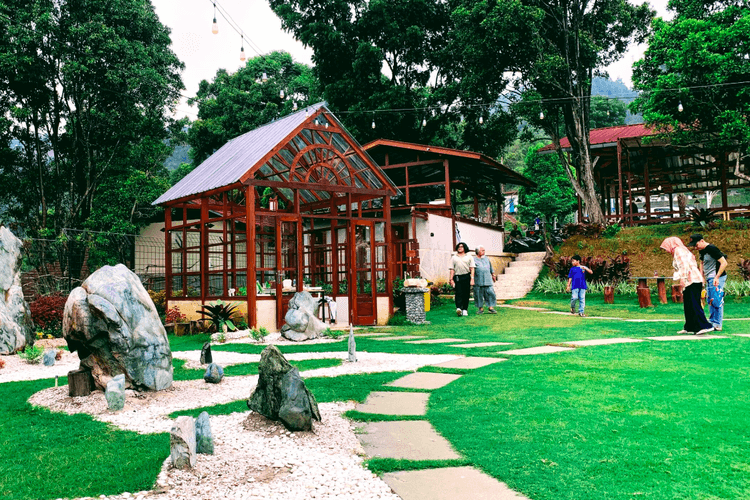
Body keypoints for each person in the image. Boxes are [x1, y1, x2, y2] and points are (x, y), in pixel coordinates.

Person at [660, 237, 714, 335]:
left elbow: (684, 266)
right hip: (692, 280)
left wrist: (683, 279)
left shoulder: (678, 250)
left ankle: (705, 326)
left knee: (694, 303)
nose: (666, 250)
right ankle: (689, 326)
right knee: (688, 304)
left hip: (692, 280)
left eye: (666, 247)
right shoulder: (683, 250)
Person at [689, 234, 728, 331]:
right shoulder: (702, 251)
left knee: (716, 299)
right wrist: (701, 276)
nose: (695, 247)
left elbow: (724, 263)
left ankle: (718, 323)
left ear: (702, 241)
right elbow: (702, 263)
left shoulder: (711, 248)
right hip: (709, 278)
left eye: (696, 244)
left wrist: (717, 277)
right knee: (710, 300)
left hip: (717, 277)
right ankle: (712, 321)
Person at [449, 242, 475, 317]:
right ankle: (459, 308)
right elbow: (452, 269)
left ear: (465, 248)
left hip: (466, 276)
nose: (460, 248)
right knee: (458, 293)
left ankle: (465, 309)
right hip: (457, 276)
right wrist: (451, 279)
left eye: (462, 247)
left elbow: (472, 268)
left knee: (466, 293)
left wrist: (472, 279)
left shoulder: (469, 257)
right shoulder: (454, 257)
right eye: (459, 246)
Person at [473, 245, 497, 314]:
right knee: (478, 294)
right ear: (477, 251)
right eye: (482, 250)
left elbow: (490, 267)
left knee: (490, 293)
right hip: (478, 280)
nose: (484, 252)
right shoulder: (473, 260)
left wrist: (493, 274)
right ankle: (480, 308)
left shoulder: (486, 258)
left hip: (488, 279)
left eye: (484, 250)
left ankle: (491, 307)